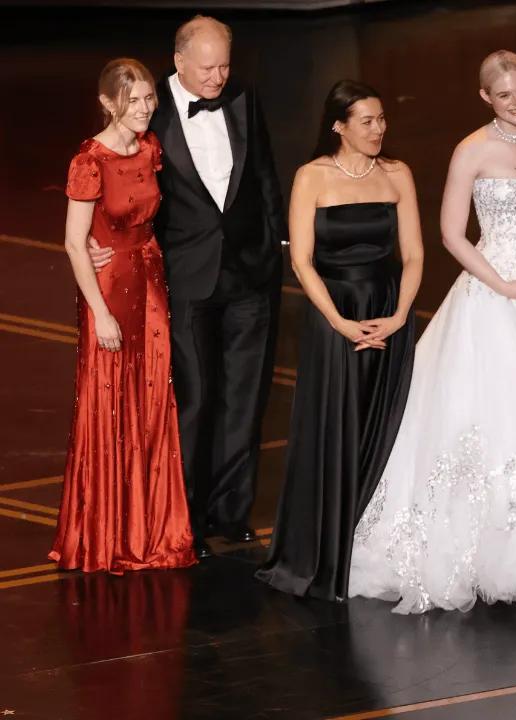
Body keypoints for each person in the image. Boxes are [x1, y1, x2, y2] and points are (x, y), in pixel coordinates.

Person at [347, 51, 516, 613]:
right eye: (505, 94)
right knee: (501, 411)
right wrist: (503, 284)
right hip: (494, 290)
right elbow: (451, 234)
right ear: (486, 97)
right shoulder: (471, 149)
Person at [90, 15, 286, 559]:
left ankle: (232, 512)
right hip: (185, 274)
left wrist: (278, 246)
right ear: (179, 62)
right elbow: (111, 177)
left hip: (249, 271)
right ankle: (187, 519)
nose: (218, 77)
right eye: (207, 68)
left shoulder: (243, 95)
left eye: (225, 66)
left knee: (245, 397)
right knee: (194, 400)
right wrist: (95, 239)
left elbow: (265, 175)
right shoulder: (147, 110)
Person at [255, 81, 422, 601]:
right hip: (334, 316)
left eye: (381, 119)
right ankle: (325, 551)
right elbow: (302, 261)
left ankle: (370, 544)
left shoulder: (398, 174)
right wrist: (338, 322)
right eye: (367, 121)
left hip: (388, 310)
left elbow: (414, 255)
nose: (379, 129)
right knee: (336, 426)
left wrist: (398, 317)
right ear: (339, 126)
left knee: (384, 424)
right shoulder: (312, 176)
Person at [50, 58, 195, 573]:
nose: (144, 107)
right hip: (108, 291)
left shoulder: (151, 148)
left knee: (150, 402)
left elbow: (149, 217)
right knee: (109, 404)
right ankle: (107, 534)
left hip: (150, 284)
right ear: (108, 103)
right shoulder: (89, 161)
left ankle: (151, 530)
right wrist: (100, 314)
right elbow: (74, 243)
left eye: (149, 97)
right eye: (132, 100)